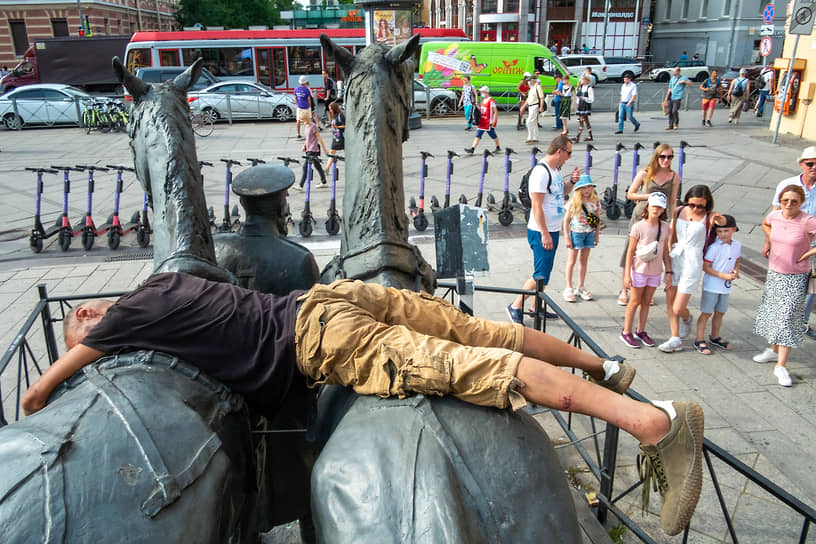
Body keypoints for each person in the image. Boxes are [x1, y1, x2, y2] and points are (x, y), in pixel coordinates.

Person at [20, 271, 704, 536]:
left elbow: (49, 381)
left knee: (475, 369)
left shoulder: (121, 322)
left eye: (85, 323)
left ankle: (656, 424)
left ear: (97, 319)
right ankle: (604, 365)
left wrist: (48, 384)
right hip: (338, 297)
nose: (85, 327)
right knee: (479, 330)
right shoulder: (170, 286)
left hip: (321, 336)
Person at [507, 135, 580, 322]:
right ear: (559, 151)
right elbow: (536, 206)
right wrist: (545, 234)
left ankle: (535, 307)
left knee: (545, 273)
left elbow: (561, 191)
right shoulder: (541, 173)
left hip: (552, 230)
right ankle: (515, 305)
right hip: (541, 232)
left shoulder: (554, 170)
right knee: (540, 274)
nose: (569, 157)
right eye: (569, 153)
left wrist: (571, 182)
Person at [752, 185, 816, 386]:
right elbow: (765, 223)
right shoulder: (776, 216)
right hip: (775, 272)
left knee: (787, 318)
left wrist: (807, 254)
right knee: (772, 313)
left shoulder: (807, 220)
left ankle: (781, 365)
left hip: (796, 276)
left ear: (801, 203)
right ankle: (773, 350)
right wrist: (769, 240)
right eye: (785, 200)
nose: (788, 205)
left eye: (794, 201)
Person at [659, 185, 725, 353]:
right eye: (692, 204)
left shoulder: (709, 217)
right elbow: (672, 235)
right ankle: (675, 338)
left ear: (707, 205)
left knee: (678, 307)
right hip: (676, 256)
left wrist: (719, 219)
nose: (696, 208)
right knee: (670, 299)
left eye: (700, 206)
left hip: (693, 261)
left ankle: (687, 318)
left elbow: (726, 226)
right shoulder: (679, 210)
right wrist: (667, 260)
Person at [618, 144, 680, 305]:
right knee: (631, 249)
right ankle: (624, 288)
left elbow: (673, 200)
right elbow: (630, 194)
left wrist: (672, 220)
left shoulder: (674, 176)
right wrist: (649, 196)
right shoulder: (646, 173)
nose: (666, 160)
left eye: (670, 157)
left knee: (654, 250)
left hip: (660, 216)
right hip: (641, 214)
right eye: (663, 156)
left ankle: (646, 288)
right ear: (657, 157)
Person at [769, 147, 816, 338]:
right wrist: (768, 243)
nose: (813, 167)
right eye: (810, 163)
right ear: (801, 164)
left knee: (811, 288)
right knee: (784, 286)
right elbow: (773, 216)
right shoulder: (787, 185)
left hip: (812, 249)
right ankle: (779, 322)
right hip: (787, 247)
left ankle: (800, 323)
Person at [620, 192, 672, 348]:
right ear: (648, 206)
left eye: (660, 207)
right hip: (639, 270)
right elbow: (630, 251)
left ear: (663, 210)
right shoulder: (638, 227)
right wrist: (627, 275)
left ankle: (640, 330)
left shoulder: (665, 228)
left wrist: (668, 271)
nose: (656, 209)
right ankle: (626, 331)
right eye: (654, 206)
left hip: (655, 271)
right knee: (634, 301)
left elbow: (664, 251)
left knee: (646, 302)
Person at [694, 215, 741, 355]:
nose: (722, 234)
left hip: (725, 287)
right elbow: (706, 267)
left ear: (733, 230)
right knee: (706, 313)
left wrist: (735, 271)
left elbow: (737, 260)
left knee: (720, 312)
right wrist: (723, 276)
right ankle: (699, 339)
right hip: (712, 286)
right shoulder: (714, 247)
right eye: (719, 232)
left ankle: (715, 336)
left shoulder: (737, 245)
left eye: (726, 231)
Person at [562, 174, 601, 302]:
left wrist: (596, 234)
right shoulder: (574, 202)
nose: (587, 190)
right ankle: (568, 287)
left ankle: (581, 286)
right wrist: (567, 237)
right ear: (579, 189)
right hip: (576, 233)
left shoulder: (595, 201)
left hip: (589, 233)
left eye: (589, 186)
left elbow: (597, 219)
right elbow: (566, 220)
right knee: (571, 260)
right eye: (584, 187)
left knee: (584, 260)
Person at [464, 85, 501, 154]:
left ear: (486, 92)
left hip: (488, 122)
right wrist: (477, 106)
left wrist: (494, 121)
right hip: (482, 121)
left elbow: (495, 111)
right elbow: (482, 109)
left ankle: (498, 146)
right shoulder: (484, 100)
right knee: (478, 135)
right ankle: (472, 149)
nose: (481, 93)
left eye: (482, 92)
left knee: (493, 136)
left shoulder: (491, 101)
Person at [299, 114, 327, 188]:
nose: (302, 122)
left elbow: (319, 138)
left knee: (305, 167)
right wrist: (304, 145)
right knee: (317, 166)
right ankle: (324, 182)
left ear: (306, 119)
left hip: (313, 149)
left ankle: (300, 185)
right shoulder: (306, 126)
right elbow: (307, 138)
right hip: (308, 149)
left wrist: (325, 151)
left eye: (302, 120)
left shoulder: (313, 126)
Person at [573, 74, 594, 142]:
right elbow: (577, 95)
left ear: (586, 80)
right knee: (585, 121)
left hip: (585, 106)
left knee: (582, 120)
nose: (581, 80)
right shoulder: (581, 87)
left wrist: (584, 98)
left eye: (582, 79)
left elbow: (591, 99)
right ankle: (590, 136)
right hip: (581, 105)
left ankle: (578, 136)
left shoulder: (589, 88)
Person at [525, 76, 545, 144]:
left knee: (529, 121)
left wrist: (541, 107)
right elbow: (528, 99)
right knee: (534, 122)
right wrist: (524, 106)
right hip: (530, 106)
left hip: (535, 105)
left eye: (529, 80)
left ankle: (530, 137)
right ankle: (535, 137)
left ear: (533, 80)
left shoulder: (538, 87)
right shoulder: (531, 88)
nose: (528, 82)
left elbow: (542, 97)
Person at [326, 102, 344, 174]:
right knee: (332, 152)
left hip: (341, 137)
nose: (330, 111)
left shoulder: (341, 116)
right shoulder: (334, 116)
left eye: (330, 109)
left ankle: (327, 169)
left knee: (332, 152)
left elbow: (345, 125)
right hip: (335, 136)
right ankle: (327, 168)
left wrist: (337, 127)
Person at [293, 75, 312, 140]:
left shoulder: (296, 89)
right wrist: (310, 106)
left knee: (298, 120)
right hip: (306, 107)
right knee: (307, 121)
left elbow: (295, 98)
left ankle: (298, 134)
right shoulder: (307, 90)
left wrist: (297, 104)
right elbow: (309, 99)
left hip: (299, 107)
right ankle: (307, 134)